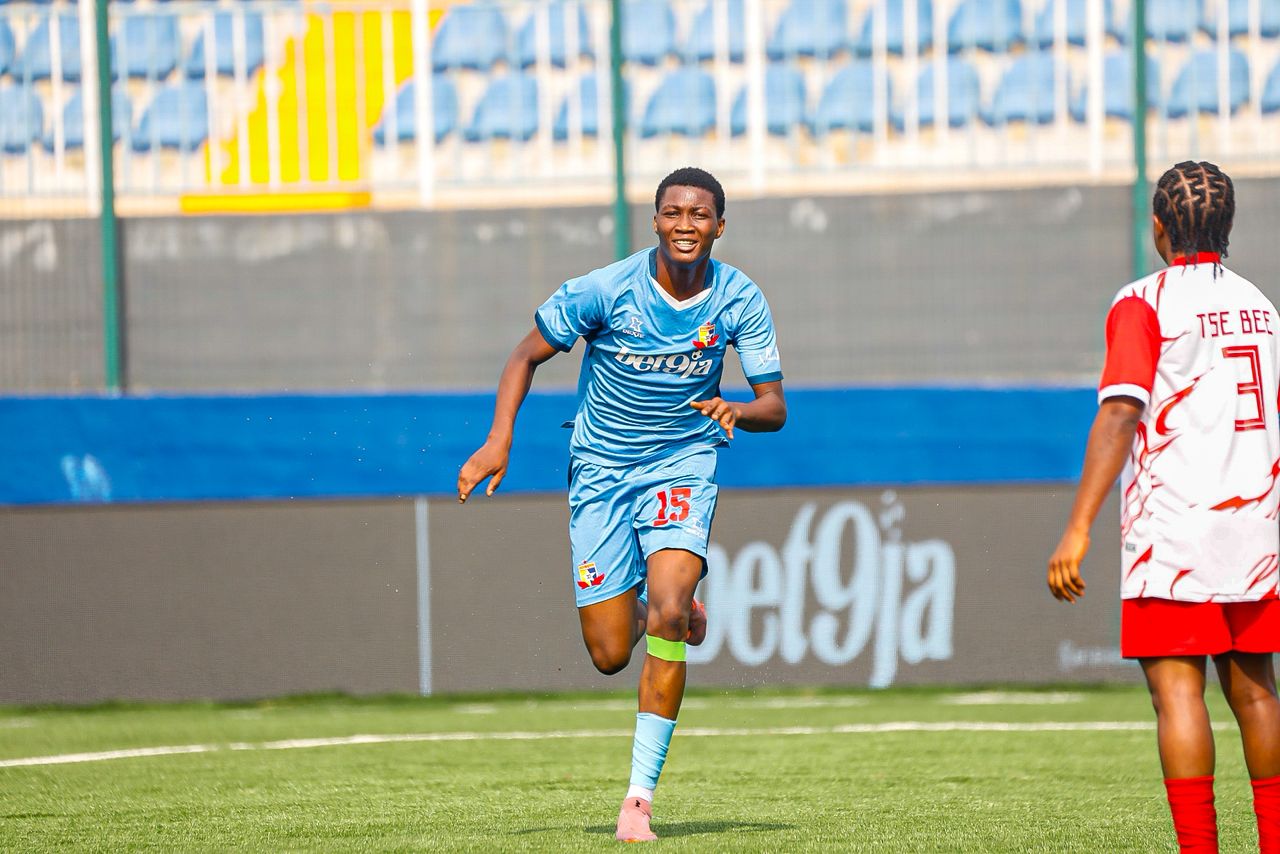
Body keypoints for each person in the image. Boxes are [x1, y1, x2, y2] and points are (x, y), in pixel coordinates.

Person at [457, 167, 787, 843]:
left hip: (683, 464)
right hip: (601, 472)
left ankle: (638, 801)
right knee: (609, 653)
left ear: (720, 226)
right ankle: (668, 610)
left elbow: (774, 406)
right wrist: (498, 440)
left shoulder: (740, 299)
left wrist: (738, 409)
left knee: (667, 610)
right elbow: (524, 356)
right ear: (656, 222)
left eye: (700, 214)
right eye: (674, 213)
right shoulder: (606, 289)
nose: (686, 225)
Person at [1049, 161, 1280, 853]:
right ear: (1228, 225)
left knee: (1178, 696)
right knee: (1257, 693)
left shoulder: (1143, 302)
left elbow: (1121, 412)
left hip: (1175, 530)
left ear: (1157, 227)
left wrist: (1078, 527)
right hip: (1256, 527)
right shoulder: (1262, 307)